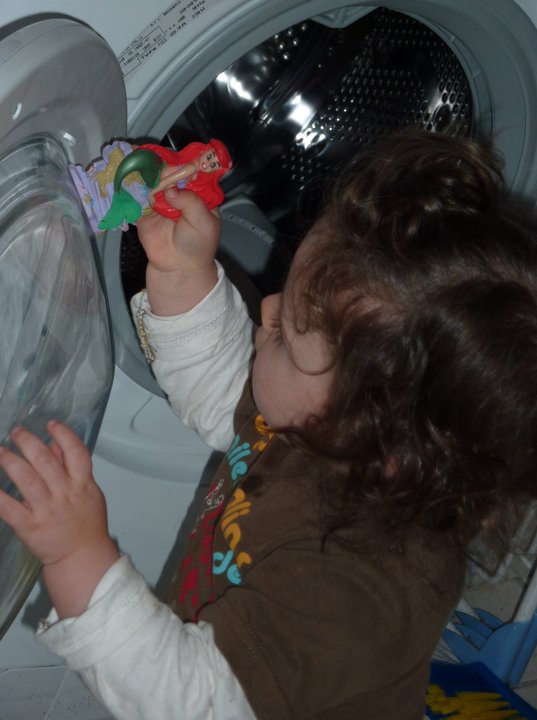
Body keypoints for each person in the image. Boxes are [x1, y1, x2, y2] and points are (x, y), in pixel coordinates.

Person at [1, 128, 537, 720]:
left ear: (372, 433)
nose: (269, 307)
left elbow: (193, 703)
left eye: (287, 335)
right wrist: (182, 271)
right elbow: (228, 391)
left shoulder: (355, 593)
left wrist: (77, 554)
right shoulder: (339, 434)